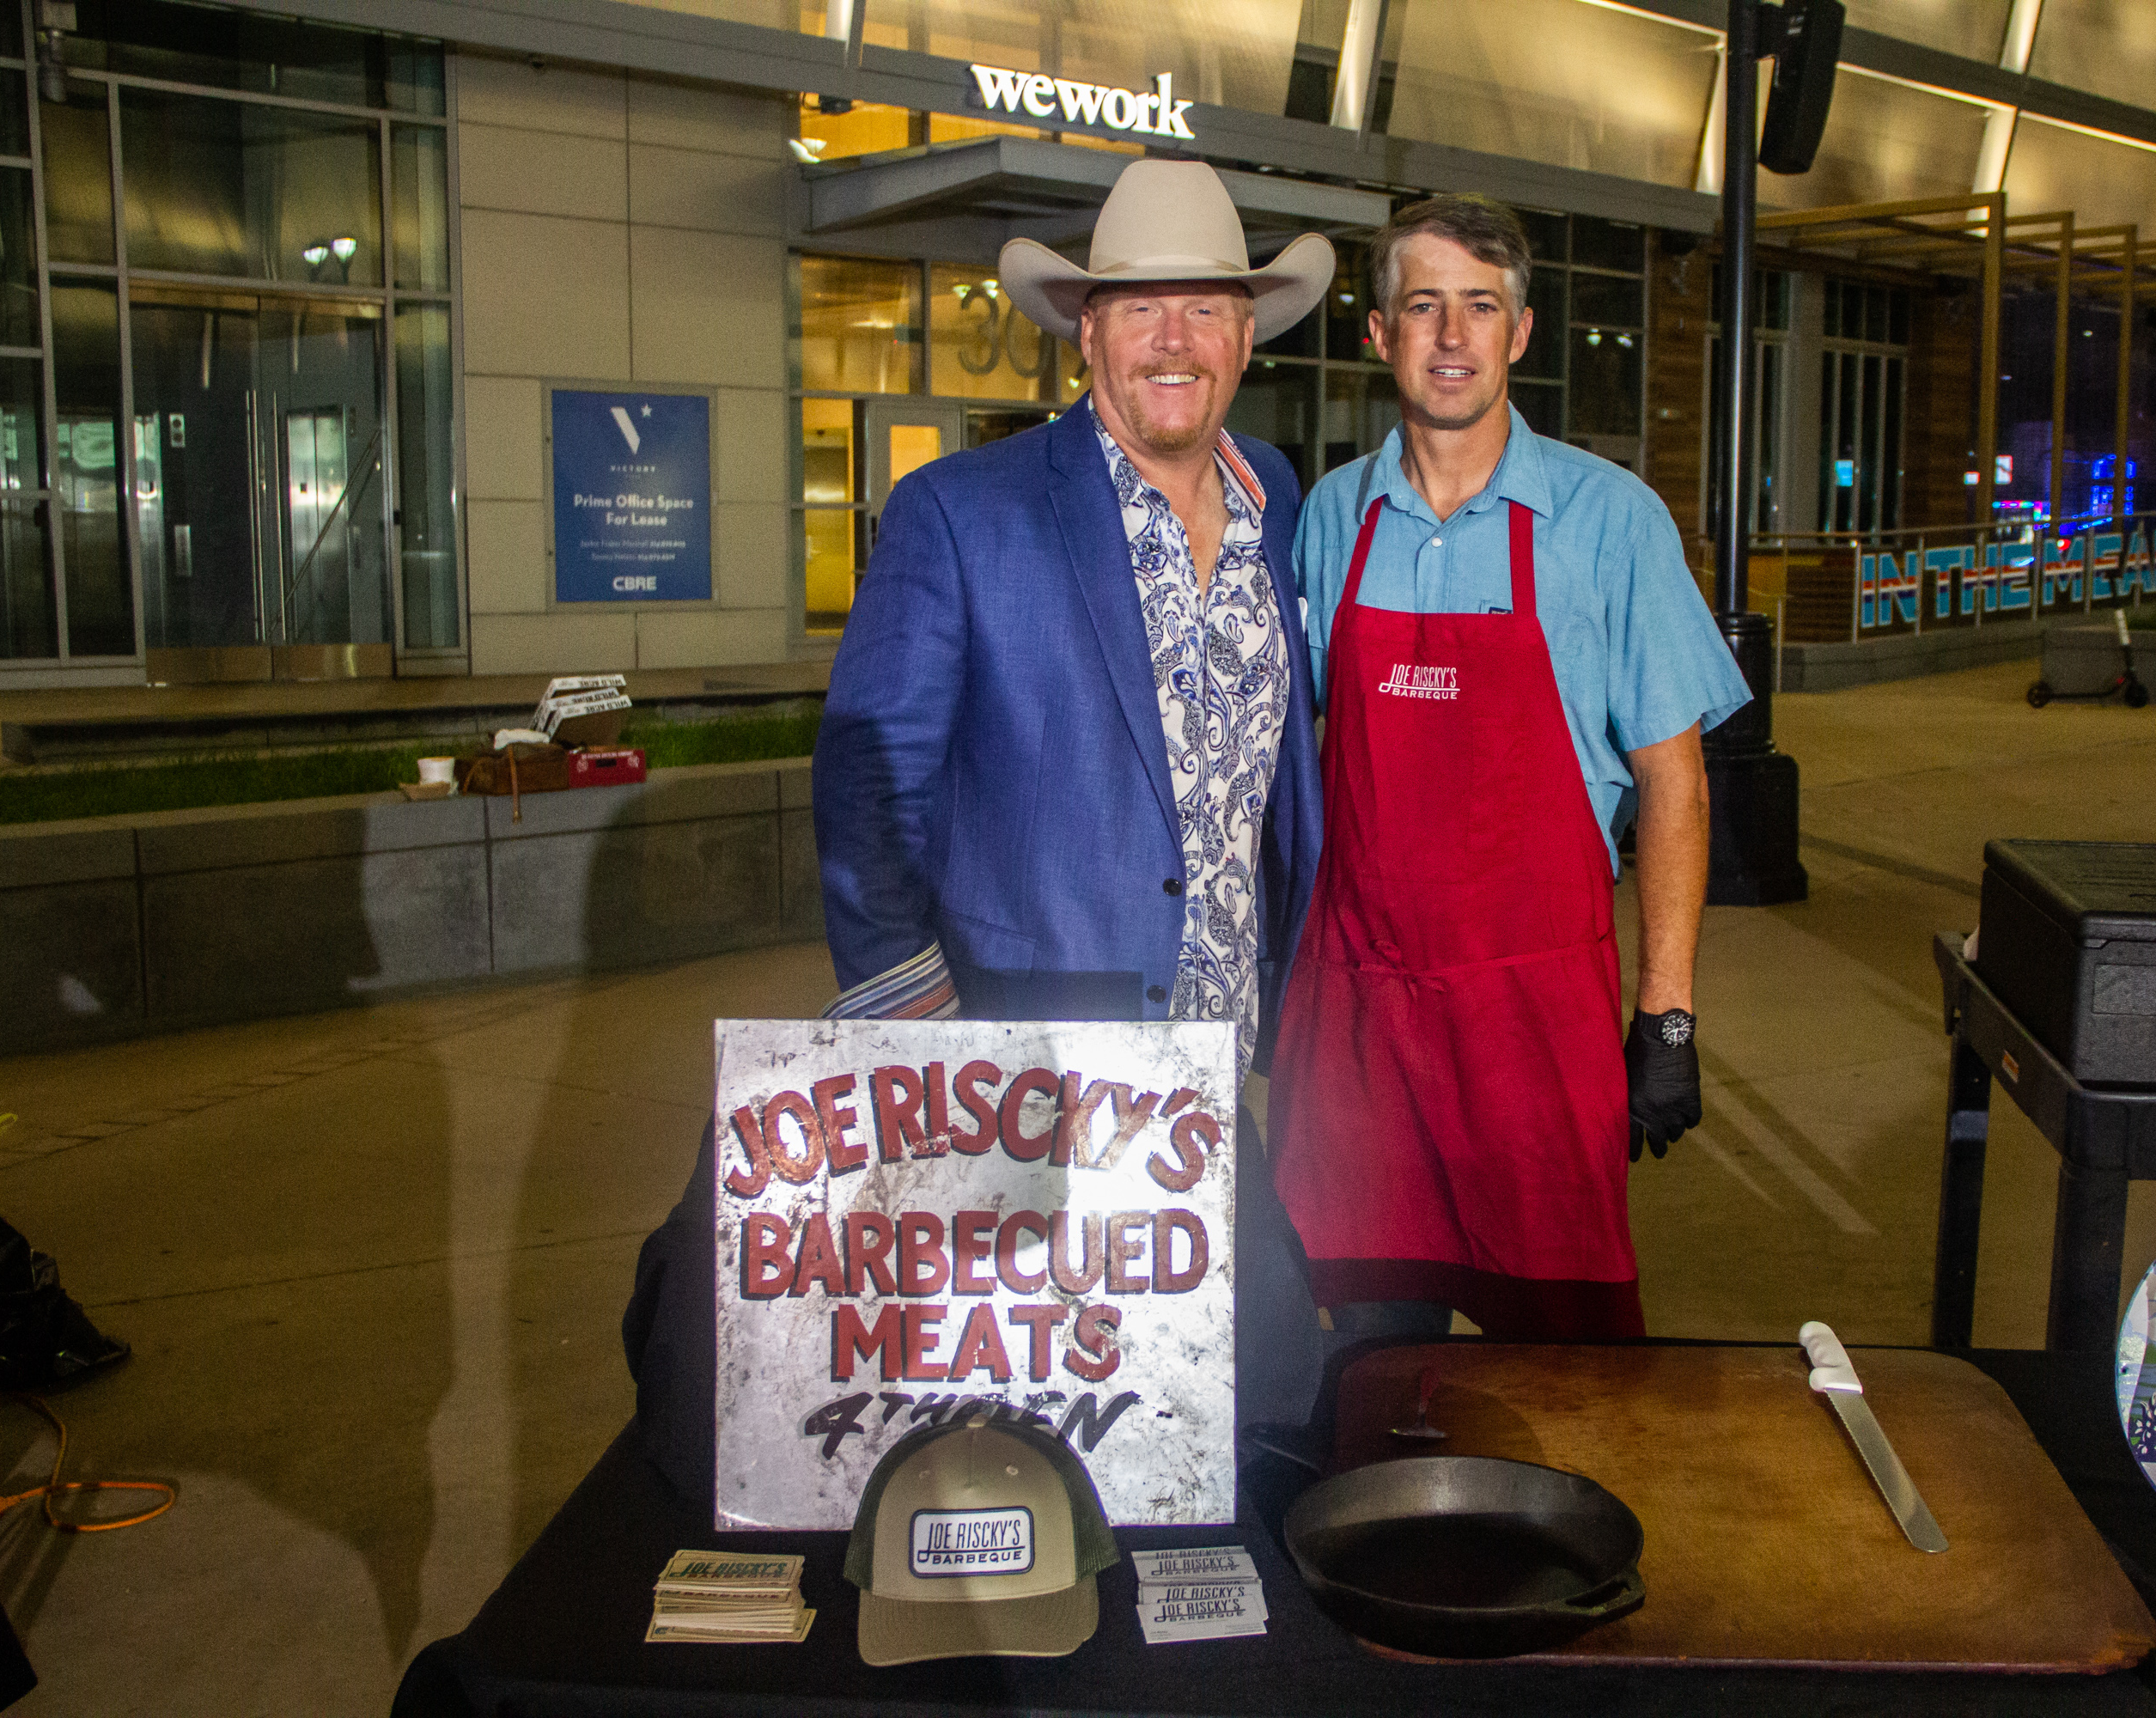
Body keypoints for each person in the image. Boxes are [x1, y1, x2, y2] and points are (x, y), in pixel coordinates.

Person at [623, 161, 1338, 1483]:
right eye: (1139, 310)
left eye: (1203, 308)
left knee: (1231, 1408)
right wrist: (918, 1033)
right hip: (1022, 1076)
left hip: (1211, 1066)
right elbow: (869, 774)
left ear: (1248, 334)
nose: (1172, 339)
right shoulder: (967, 512)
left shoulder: (1278, 500)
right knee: (1025, 1426)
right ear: (1088, 334)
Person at [1269, 196, 1749, 1342]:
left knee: (1571, 1371)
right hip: (1369, 1022)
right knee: (1380, 1366)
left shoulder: (1609, 521)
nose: (1450, 335)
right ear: (1379, 335)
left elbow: (1676, 788)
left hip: (1534, 1023)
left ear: (1519, 335)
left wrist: (1667, 1015)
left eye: (1479, 307)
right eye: (1421, 305)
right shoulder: (1332, 518)